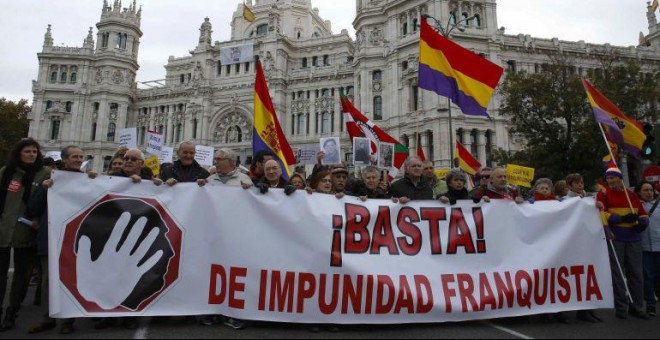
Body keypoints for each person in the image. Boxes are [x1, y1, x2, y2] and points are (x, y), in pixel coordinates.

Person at [27, 146, 96, 335]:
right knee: (48, 280)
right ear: (64, 159)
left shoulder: (87, 180)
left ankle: (68, 320)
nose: (78, 159)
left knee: (73, 279)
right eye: (74, 156)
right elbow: (32, 208)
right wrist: (45, 189)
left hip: (76, 239)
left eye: (81, 157)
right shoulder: (52, 180)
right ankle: (47, 318)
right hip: (51, 237)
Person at [0, 138, 50, 331]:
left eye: (34, 152)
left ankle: (12, 311)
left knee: (21, 275)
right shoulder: (6, 172)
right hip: (4, 227)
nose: (31, 155)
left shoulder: (45, 174)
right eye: (27, 151)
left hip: (28, 230)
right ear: (19, 153)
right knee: (1, 274)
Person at [597, 166, 650, 320]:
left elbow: (643, 213)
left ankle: (638, 306)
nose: (610, 181)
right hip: (616, 238)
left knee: (636, 274)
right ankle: (622, 308)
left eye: (613, 178)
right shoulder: (603, 194)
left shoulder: (631, 195)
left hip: (634, 238)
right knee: (618, 274)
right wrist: (620, 219)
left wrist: (643, 223)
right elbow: (601, 213)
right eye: (608, 178)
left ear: (620, 178)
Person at [636, 181, 660, 317]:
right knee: (648, 277)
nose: (649, 193)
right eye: (645, 190)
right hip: (644, 247)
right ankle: (651, 305)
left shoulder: (659, 205)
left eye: (650, 190)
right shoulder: (636, 206)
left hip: (659, 246)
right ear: (639, 192)